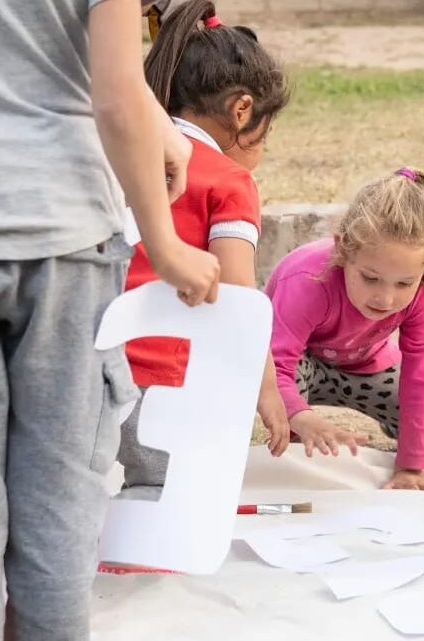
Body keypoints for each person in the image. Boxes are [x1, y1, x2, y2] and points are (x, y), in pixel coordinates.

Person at [0, 0, 221, 637]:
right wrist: (164, 243)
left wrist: (152, 116)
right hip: (63, 237)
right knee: (57, 510)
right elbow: (115, 93)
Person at [116, 0, 293, 497]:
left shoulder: (121, 151)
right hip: (164, 382)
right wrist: (266, 389)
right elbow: (238, 296)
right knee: (165, 491)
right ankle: (142, 566)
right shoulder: (230, 182)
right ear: (243, 111)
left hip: (90, 371)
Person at [265, 169, 424, 494]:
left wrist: (411, 467)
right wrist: (301, 417)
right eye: (370, 278)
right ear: (343, 250)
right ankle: (304, 443)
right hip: (300, 367)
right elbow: (275, 366)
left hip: (367, 369)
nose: (385, 299)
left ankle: (393, 423)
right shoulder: (307, 279)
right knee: (291, 429)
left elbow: (418, 378)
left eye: (403, 283)